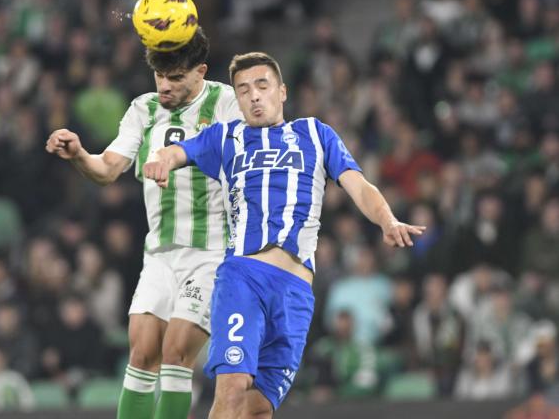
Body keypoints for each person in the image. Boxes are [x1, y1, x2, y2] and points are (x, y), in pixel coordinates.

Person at [144, 51, 425, 417]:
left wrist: (387, 221)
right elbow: (178, 150)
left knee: (258, 408)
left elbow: (359, 185)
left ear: (282, 91)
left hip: (296, 293)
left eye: (262, 86)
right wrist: (163, 159)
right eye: (243, 90)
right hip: (245, 276)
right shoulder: (226, 137)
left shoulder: (315, 133)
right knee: (231, 387)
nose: (254, 96)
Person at [45, 28, 242, 419]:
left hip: (211, 252)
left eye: (176, 78)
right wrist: (81, 154)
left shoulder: (226, 102)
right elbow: (107, 170)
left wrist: (181, 156)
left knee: (176, 352)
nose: (165, 86)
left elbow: (244, 157)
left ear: (200, 71)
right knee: (141, 351)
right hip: (159, 254)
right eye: (159, 76)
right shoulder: (143, 109)